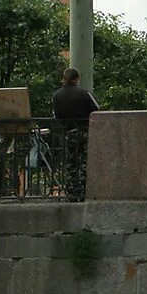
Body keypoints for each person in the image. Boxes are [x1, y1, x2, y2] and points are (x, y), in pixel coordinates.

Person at [52, 67, 99, 200]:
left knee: (71, 163)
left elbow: (56, 115)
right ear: (77, 79)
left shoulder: (57, 95)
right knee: (85, 162)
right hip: (84, 131)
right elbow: (96, 109)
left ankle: (71, 192)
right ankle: (84, 191)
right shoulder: (84, 94)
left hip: (68, 132)